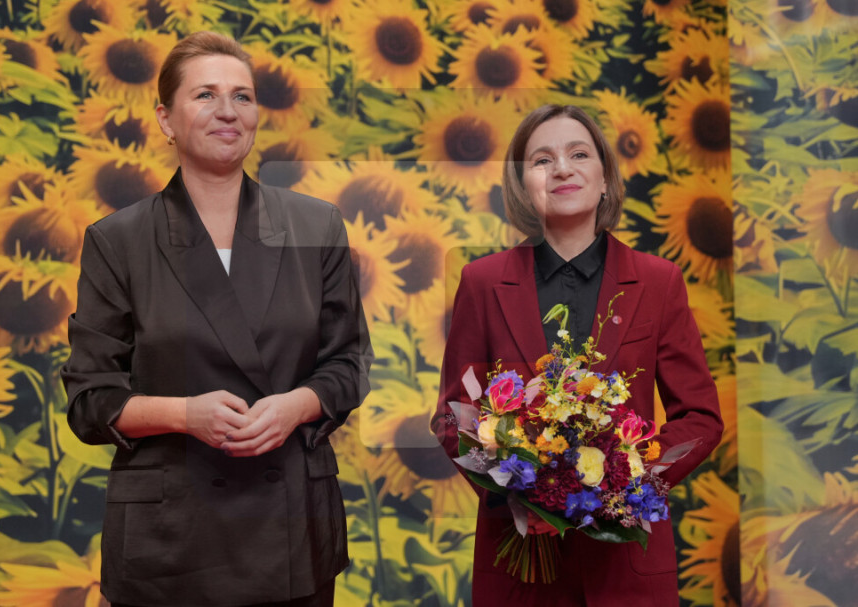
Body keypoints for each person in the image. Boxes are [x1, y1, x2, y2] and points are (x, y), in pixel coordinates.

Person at [62, 31, 372, 607]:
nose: (227, 111)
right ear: (166, 119)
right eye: (205, 95)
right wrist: (186, 415)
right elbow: (90, 399)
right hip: (169, 539)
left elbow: (348, 364)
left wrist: (295, 406)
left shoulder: (317, 226)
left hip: (290, 530)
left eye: (242, 96)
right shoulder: (117, 240)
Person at [431, 104, 723, 606]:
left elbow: (700, 417)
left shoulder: (658, 282)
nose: (562, 168)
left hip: (626, 569)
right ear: (523, 185)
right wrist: (521, 492)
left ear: (605, 178)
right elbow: (451, 417)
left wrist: (621, 480)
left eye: (579, 154)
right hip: (519, 567)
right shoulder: (482, 282)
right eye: (542, 160)